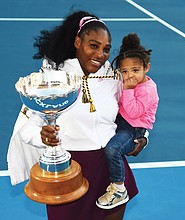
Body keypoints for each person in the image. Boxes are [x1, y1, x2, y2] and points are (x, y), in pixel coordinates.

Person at [7, 11, 147, 220]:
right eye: (93, 45)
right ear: (77, 42)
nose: (100, 54)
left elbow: (139, 110)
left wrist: (143, 138)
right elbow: (26, 127)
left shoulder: (115, 77)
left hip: (111, 172)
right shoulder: (52, 79)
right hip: (69, 173)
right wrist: (43, 137)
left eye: (106, 49)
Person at [96, 33, 159, 210]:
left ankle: (118, 188)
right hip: (121, 121)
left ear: (146, 67)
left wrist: (128, 89)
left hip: (133, 129)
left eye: (135, 70)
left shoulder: (147, 90)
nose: (129, 75)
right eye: (124, 71)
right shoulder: (126, 81)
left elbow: (133, 111)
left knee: (112, 149)